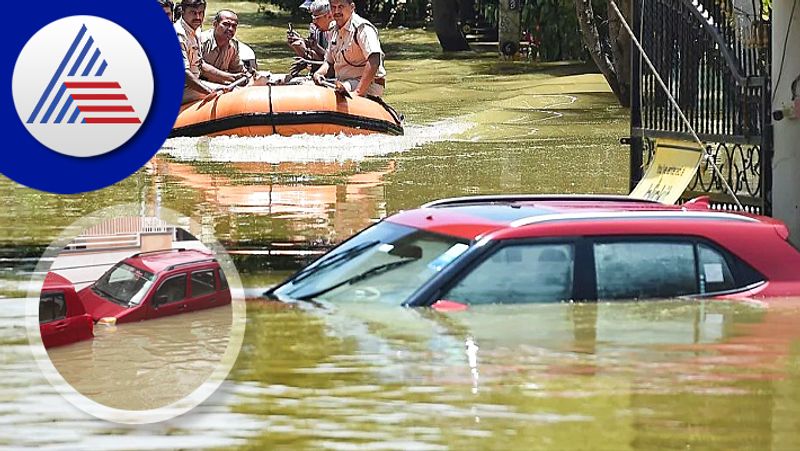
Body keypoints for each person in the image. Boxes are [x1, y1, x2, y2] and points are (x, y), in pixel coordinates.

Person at [312, 0, 386, 97]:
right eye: (333, 7)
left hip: (367, 84)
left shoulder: (363, 28)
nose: (336, 11)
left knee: (338, 93)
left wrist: (358, 93)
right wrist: (318, 74)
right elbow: (329, 62)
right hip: (342, 81)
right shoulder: (333, 30)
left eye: (341, 6)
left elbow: (374, 60)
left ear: (352, 7)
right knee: (307, 86)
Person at [175, 0, 226, 103]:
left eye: (201, 13)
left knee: (232, 89)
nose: (198, 17)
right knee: (225, 95)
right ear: (183, 12)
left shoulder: (195, 29)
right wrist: (210, 91)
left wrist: (231, 77)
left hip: (191, 85)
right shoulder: (178, 35)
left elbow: (200, 64)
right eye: (193, 13)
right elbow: (184, 74)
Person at [287, 0, 335, 77]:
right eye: (312, 17)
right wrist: (301, 43)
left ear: (329, 16)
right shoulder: (318, 29)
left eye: (316, 18)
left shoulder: (338, 31)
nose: (313, 22)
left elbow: (333, 62)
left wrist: (307, 59)